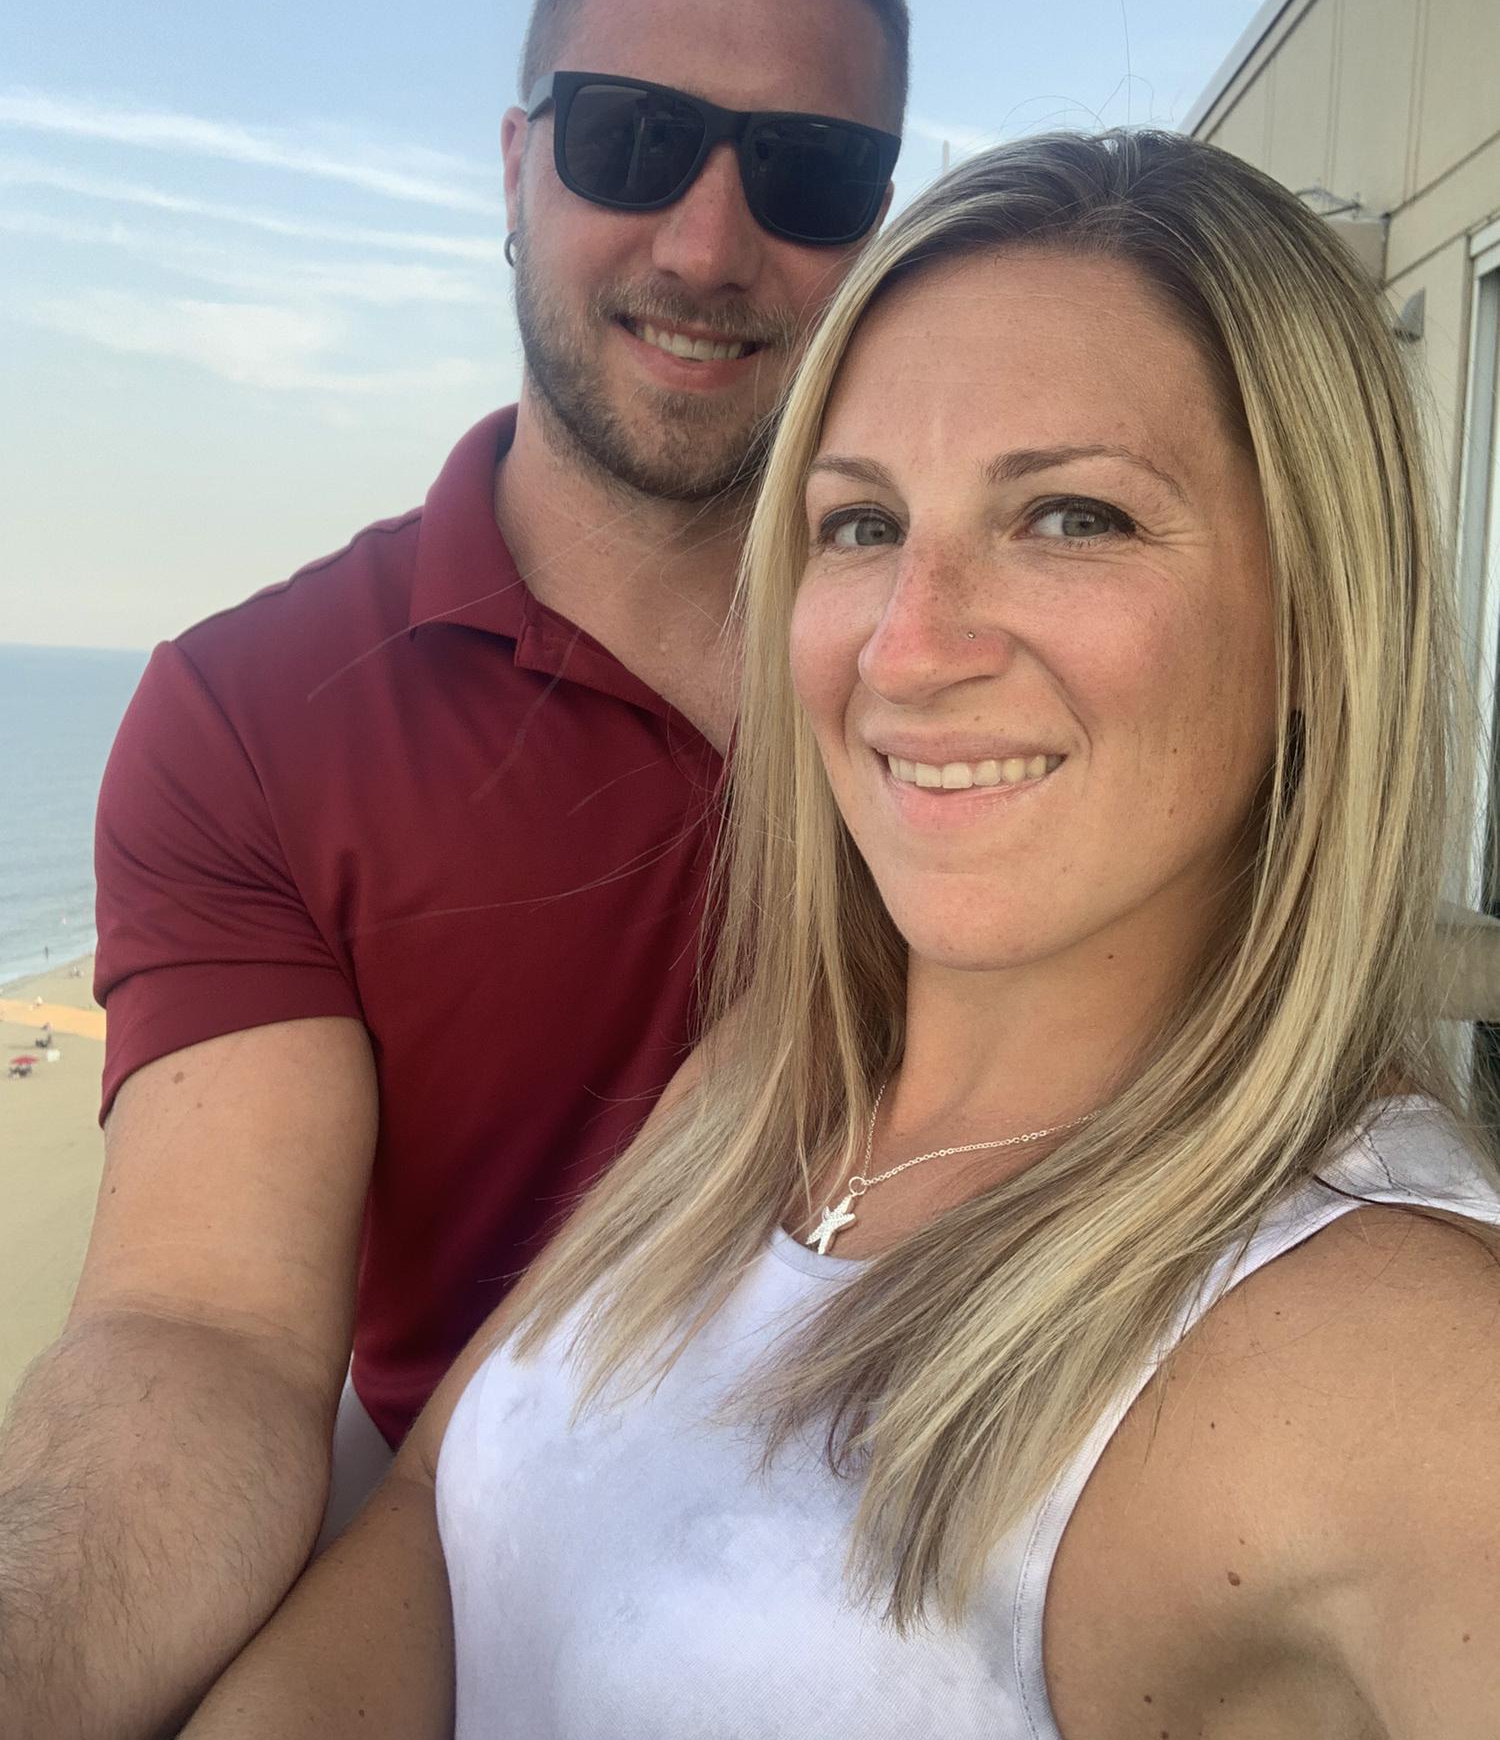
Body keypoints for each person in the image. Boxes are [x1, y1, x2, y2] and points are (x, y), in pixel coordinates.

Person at [184, 129, 1500, 1735]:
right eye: (862, 525)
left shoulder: (1404, 1347)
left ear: (1319, 624)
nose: (909, 648)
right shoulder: (762, 1086)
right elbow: (429, 1522)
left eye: (1072, 517)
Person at [0, 0, 906, 1740]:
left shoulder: (978, 681)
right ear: (516, 170)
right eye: (632, 138)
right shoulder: (254, 717)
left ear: (878, 232)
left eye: (807, 173)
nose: (708, 244)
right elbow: (203, 1328)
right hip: (466, 1597)